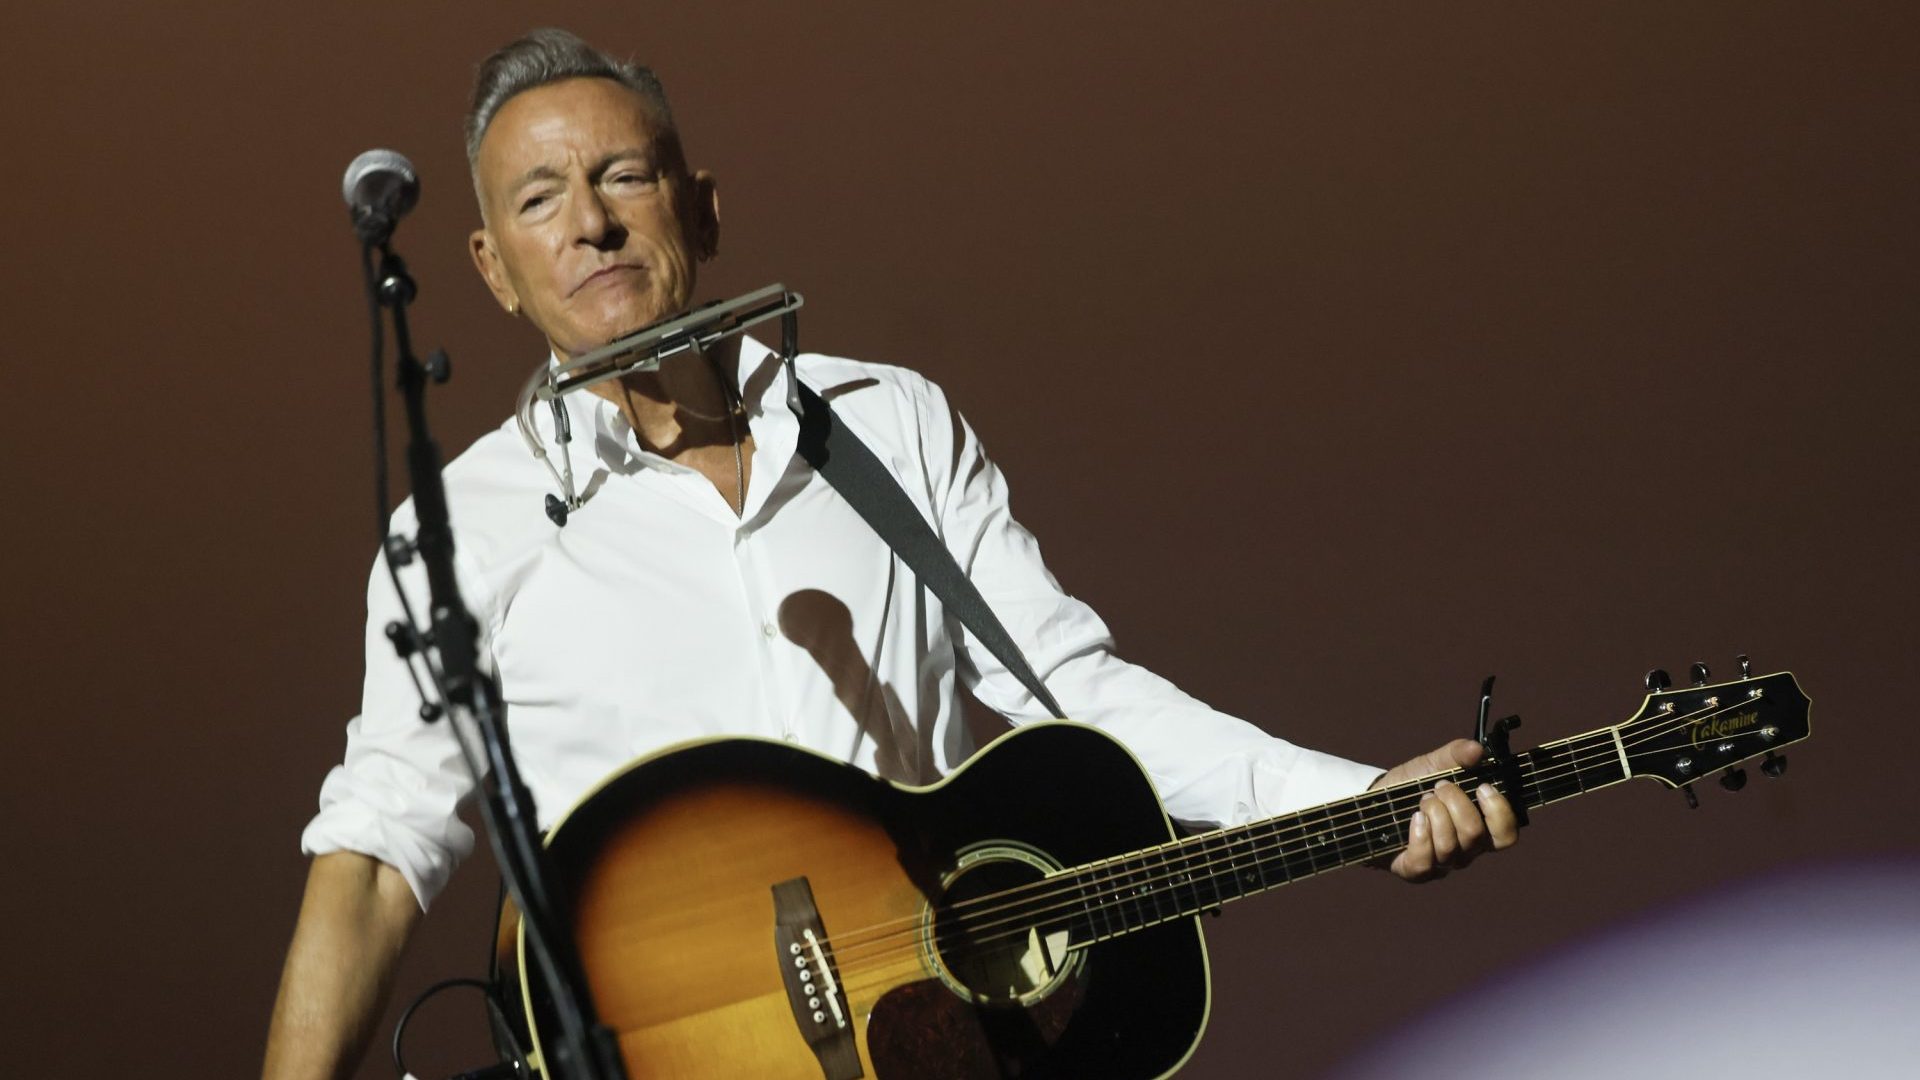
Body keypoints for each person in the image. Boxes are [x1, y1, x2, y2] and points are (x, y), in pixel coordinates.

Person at [262, 28, 1517, 1080]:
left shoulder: (887, 423)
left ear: (702, 205)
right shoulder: (462, 530)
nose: (590, 224)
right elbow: (372, 864)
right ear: (493, 269)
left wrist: (1355, 801)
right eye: (541, 199)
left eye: (624, 176)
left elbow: (1071, 689)